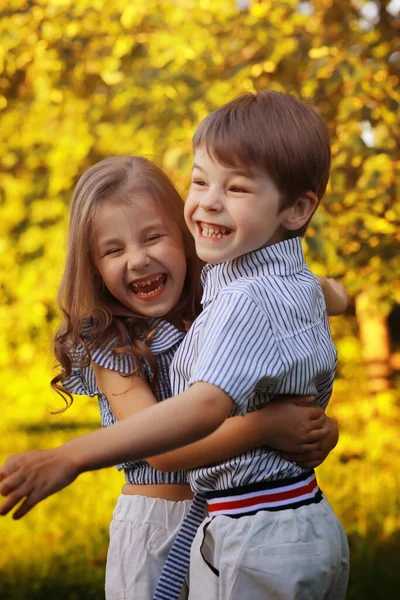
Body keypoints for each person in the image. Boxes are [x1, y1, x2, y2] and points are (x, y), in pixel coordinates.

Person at [0, 91, 349, 599]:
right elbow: (165, 453)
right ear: (92, 266)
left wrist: (321, 423)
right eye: (113, 250)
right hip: (159, 524)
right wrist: (269, 426)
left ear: (183, 237)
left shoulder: (221, 296)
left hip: (229, 516)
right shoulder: (112, 346)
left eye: (154, 238)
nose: (138, 261)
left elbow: (318, 295)